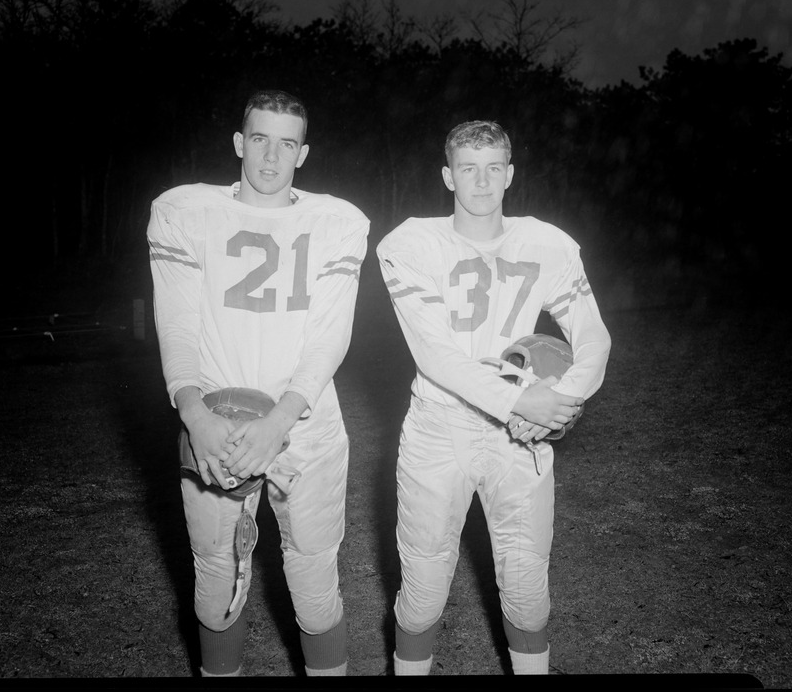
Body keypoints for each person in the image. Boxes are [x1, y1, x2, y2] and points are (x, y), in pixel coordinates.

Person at [376, 120, 611, 675]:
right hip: (441, 427)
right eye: (467, 168)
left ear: (509, 173)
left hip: (520, 436)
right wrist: (520, 404)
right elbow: (435, 356)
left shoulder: (546, 243)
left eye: (492, 169)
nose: (480, 182)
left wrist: (560, 401)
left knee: (528, 586)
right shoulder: (412, 244)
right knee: (425, 586)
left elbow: (594, 337)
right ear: (447, 176)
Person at [147, 90, 369, 677]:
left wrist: (279, 421)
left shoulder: (336, 222)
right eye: (261, 139)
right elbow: (176, 323)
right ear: (240, 143)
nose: (272, 157)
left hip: (306, 422)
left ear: (304, 154)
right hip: (214, 416)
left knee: (314, 581)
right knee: (216, 584)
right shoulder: (186, 212)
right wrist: (195, 415)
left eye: (287, 143)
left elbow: (329, 336)